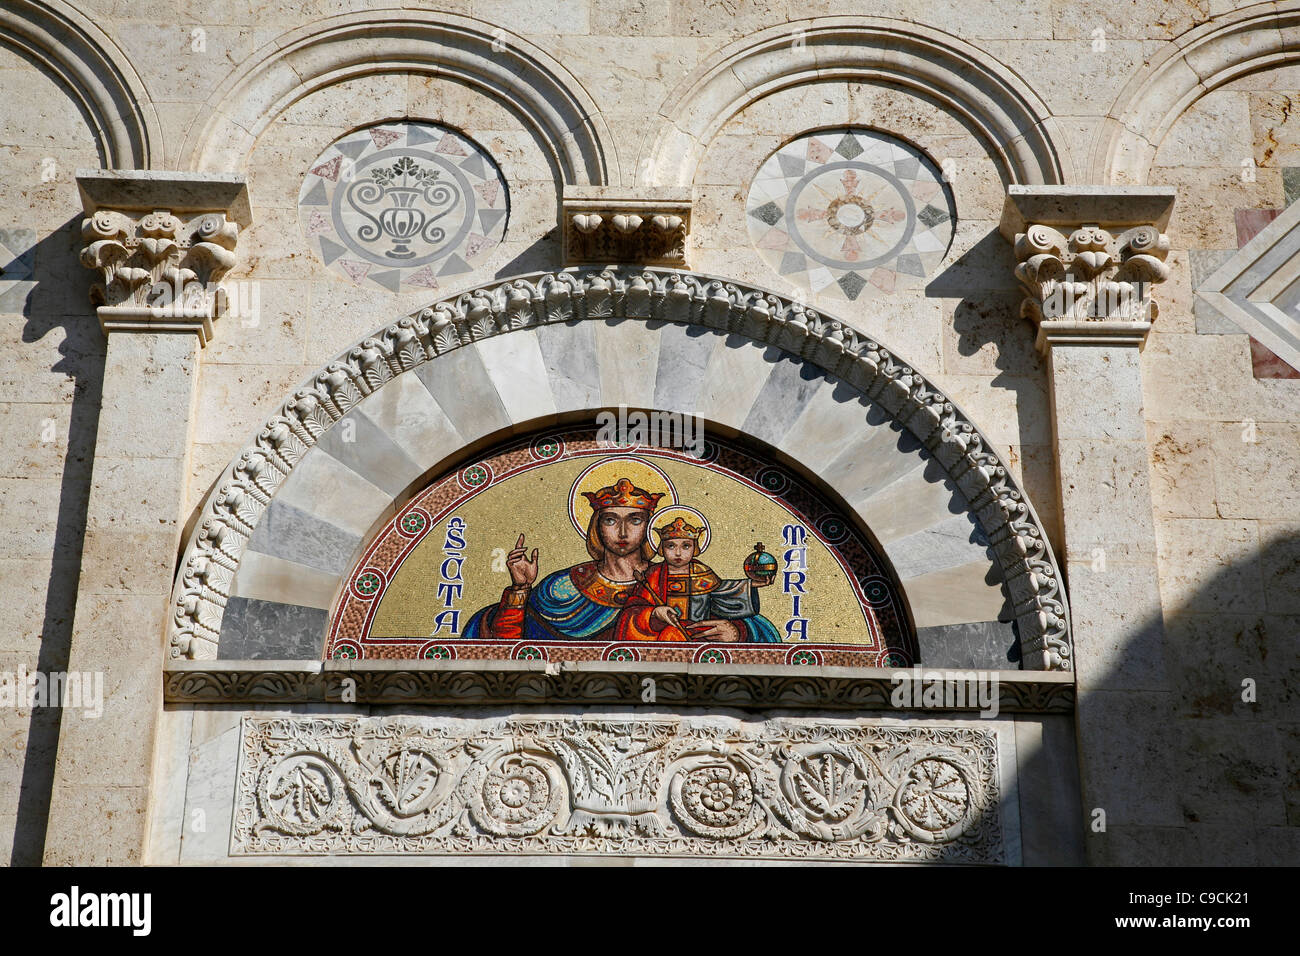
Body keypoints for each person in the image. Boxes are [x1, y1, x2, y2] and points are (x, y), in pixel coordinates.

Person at [462, 477, 760, 644]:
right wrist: (520, 589)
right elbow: (507, 644)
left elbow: (754, 622)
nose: (622, 531)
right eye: (609, 520)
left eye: (634, 520)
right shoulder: (562, 587)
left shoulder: (676, 575)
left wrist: (737, 632)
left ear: (649, 527)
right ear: (595, 526)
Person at [613, 513, 781, 643]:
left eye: (686, 546)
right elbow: (633, 609)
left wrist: (752, 585)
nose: (678, 553)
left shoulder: (701, 572)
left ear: (695, 549)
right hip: (665, 634)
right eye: (671, 546)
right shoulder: (653, 575)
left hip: (698, 633)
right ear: (661, 549)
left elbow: (723, 592)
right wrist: (654, 613)